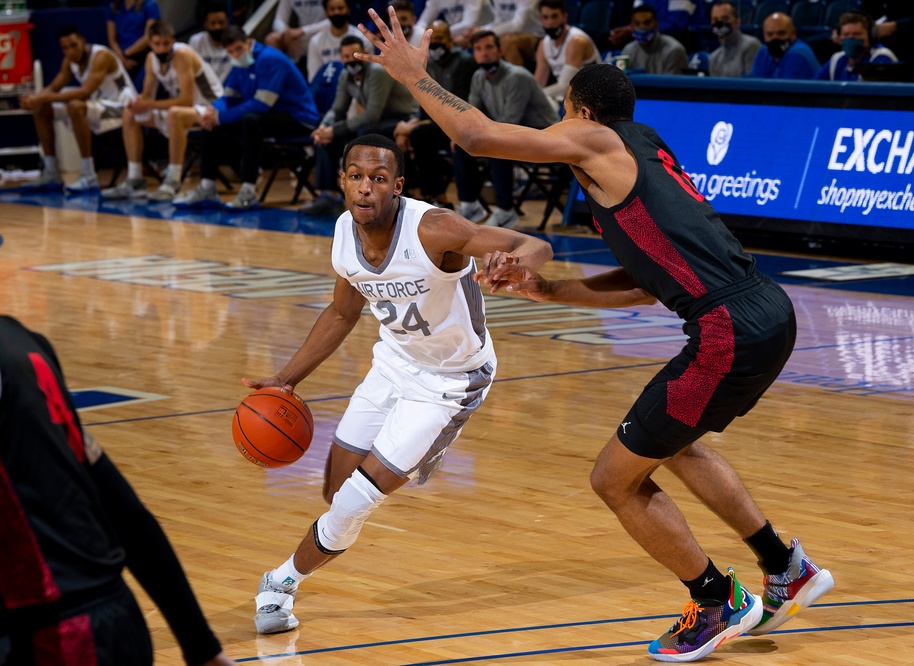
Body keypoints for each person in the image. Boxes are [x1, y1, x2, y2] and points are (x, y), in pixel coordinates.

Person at [357, 10, 836, 662]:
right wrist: (551, 292)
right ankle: (787, 567)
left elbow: (474, 135)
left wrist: (415, 73)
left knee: (614, 480)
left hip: (727, 329)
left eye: (560, 109)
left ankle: (715, 599)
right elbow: (645, 283)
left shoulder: (597, 143)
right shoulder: (640, 151)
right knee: (672, 444)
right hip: (765, 314)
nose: (554, 121)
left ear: (579, 111)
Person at [246, 133, 553, 635]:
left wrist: (513, 263)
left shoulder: (434, 228)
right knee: (335, 489)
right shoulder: (345, 230)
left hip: (452, 380)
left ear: (397, 186)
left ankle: (280, 583)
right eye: (356, 177)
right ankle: (359, 505)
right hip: (393, 362)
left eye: (379, 179)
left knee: (355, 501)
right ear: (343, 180)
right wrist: (285, 380)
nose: (366, 188)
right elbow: (343, 312)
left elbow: (535, 243)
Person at [0, 315, 237, 666]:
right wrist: (201, 644)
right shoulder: (23, 340)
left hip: (56, 637)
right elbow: (124, 509)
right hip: (114, 620)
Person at [172, 25, 320, 211]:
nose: (235, 54)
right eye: (230, 51)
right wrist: (212, 112)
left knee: (250, 120)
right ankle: (207, 186)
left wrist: (221, 117)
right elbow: (228, 98)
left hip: (299, 118)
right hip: (269, 116)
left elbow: (261, 104)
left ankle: (249, 190)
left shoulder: (270, 59)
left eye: (238, 49)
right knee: (211, 124)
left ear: (249, 43)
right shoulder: (239, 64)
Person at [100, 20, 224, 202]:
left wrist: (148, 104)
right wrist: (135, 101)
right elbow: (148, 96)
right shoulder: (151, 59)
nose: (161, 48)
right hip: (185, 111)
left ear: (172, 41)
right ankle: (135, 179)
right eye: (157, 44)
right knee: (130, 114)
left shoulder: (182, 55)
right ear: (150, 43)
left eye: (166, 43)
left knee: (175, 113)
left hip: (211, 108)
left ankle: (173, 181)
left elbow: (187, 100)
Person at [301, 35, 418, 216]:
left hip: (402, 117)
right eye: (346, 57)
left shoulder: (377, 71)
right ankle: (329, 195)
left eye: (355, 55)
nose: (351, 60)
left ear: (365, 53)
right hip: (377, 121)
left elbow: (372, 113)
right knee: (329, 138)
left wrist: (334, 130)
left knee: (363, 132)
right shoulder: (345, 75)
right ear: (341, 59)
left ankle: (376, 192)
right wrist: (324, 128)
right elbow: (338, 109)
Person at [455, 29, 558, 228]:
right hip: (511, 134)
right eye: (478, 49)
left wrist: (483, 134)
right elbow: (471, 115)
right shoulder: (478, 77)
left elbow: (510, 121)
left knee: (497, 145)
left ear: (500, 51)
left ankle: (505, 211)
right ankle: (470, 204)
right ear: (473, 54)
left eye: (489, 47)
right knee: (461, 142)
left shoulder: (516, 76)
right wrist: (461, 133)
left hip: (543, 137)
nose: (484, 53)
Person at [18, 25, 137, 194]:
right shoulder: (69, 61)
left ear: (83, 42)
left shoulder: (101, 56)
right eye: (65, 48)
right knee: (42, 108)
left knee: (76, 106)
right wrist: (33, 100)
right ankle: (52, 172)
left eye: (74, 45)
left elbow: (85, 91)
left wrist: (41, 97)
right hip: (98, 107)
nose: (70, 51)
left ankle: (88, 174)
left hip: (122, 109)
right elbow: (53, 87)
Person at [393, 20, 478, 210]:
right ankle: (415, 193)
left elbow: (459, 105)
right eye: (433, 40)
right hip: (438, 124)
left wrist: (413, 126)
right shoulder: (428, 64)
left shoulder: (464, 62)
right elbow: (424, 106)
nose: (437, 44)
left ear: (450, 40)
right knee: (401, 133)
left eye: (440, 38)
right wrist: (409, 125)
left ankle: (435, 194)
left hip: (463, 123)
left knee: (420, 134)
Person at [534, 0, 600, 103]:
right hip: (570, 98)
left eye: (554, 16)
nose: (550, 22)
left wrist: (534, 95)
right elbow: (538, 84)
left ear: (564, 17)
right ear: (540, 19)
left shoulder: (576, 41)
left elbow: (566, 86)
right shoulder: (543, 44)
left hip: (593, 96)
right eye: (545, 17)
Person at [815, 12, 897, 82]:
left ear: (870, 36)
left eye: (857, 34)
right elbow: (814, 88)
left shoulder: (881, 57)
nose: (851, 38)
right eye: (846, 35)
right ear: (839, 38)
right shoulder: (837, 60)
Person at [461, 0, 543, 67]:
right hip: (509, 34)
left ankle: (517, 83)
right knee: (472, 39)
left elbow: (518, 25)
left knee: (506, 41)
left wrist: (483, 31)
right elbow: (498, 21)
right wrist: (476, 31)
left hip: (536, 35)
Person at [307, 0, 369, 81]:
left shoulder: (363, 39)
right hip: (328, 87)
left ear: (348, 10)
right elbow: (314, 79)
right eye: (332, 9)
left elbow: (369, 72)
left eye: (340, 8)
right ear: (326, 12)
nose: (336, 12)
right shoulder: (315, 41)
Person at [106, 0, 161, 88]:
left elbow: (148, 37)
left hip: (143, 56)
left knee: (139, 89)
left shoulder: (150, 5)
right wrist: (122, 58)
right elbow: (112, 40)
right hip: (119, 57)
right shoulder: (113, 6)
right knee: (119, 91)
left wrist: (126, 54)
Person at [749, 12, 820, 80]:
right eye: (770, 34)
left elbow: (786, 90)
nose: (775, 38)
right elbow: (753, 80)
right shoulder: (764, 52)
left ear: (793, 34)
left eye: (781, 33)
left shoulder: (797, 54)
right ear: (764, 35)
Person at [622, 4, 688, 75]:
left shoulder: (674, 50)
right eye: (637, 24)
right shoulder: (628, 50)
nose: (642, 27)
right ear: (631, 26)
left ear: (656, 24)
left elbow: (674, 84)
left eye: (647, 23)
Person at [707, 1, 760, 78]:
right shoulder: (714, 57)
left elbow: (752, 85)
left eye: (725, 18)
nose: (719, 23)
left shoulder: (751, 46)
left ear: (737, 22)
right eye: (715, 20)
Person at [414, 0, 494, 46]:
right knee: (423, 38)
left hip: (482, 31)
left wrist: (438, 33)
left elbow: (468, 24)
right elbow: (423, 22)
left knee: (442, 41)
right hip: (456, 34)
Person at [188, 1, 233, 83]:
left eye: (221, 22)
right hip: (206, 91)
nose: (217, 27)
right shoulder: (196, 41)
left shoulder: (235, 41)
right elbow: (191, 71)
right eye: (213, 23)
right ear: (206, 24)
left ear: (227, 22)